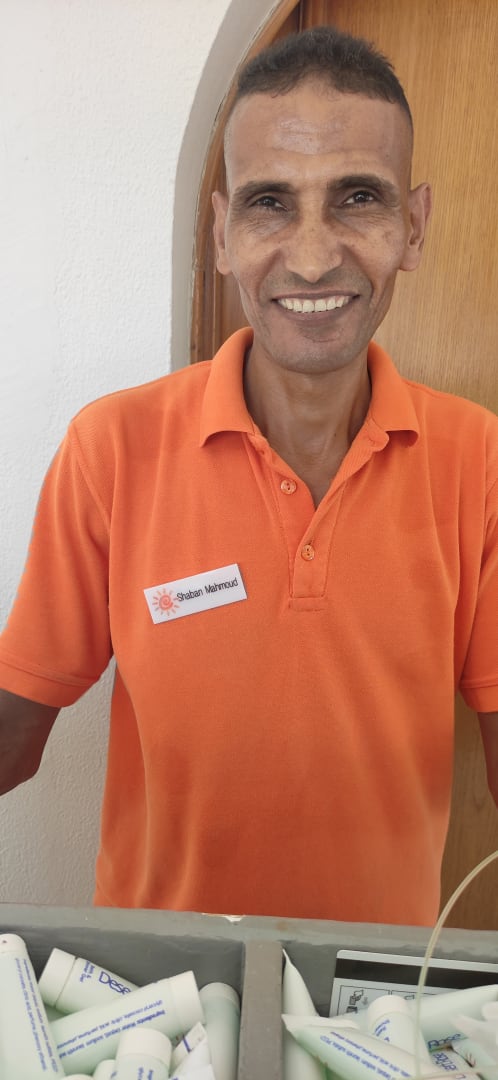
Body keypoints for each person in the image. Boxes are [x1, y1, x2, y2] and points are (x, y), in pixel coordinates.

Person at [0, 26, 497, 926]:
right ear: (223, 233)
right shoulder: (112, 448)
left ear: (413, 228)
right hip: (161, 988)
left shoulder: (481, 462)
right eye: (270, 203)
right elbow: (13, 732)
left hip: (376, 992)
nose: (311, 257)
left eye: (357, 198)